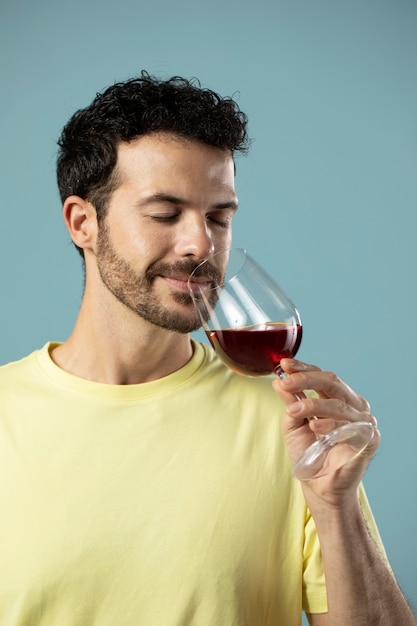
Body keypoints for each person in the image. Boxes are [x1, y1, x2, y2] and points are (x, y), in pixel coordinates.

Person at [0, 72, 415, 626]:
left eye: (219, 216)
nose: (202, 244)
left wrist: (337, 510)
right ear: (83, 223)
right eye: (165, 214)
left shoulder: (288, 426)